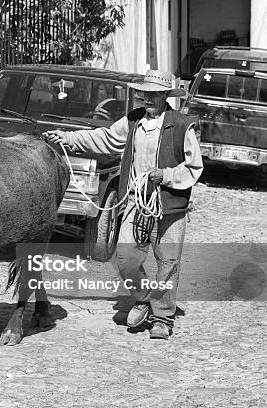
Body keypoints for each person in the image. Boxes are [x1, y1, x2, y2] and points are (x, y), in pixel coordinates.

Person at [44, 69, 203, 340]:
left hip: (169, 206)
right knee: (125, 258)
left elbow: (194, 167)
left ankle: (163, 317)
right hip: (135, 202)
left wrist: (164, 175)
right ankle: (143, 299)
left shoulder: (182, 125)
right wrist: (68, 138)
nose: (148, 99)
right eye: (145, 94)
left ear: (166, 96)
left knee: (168, 263)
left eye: (154, 94)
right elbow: (104, 138)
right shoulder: (133, 121)